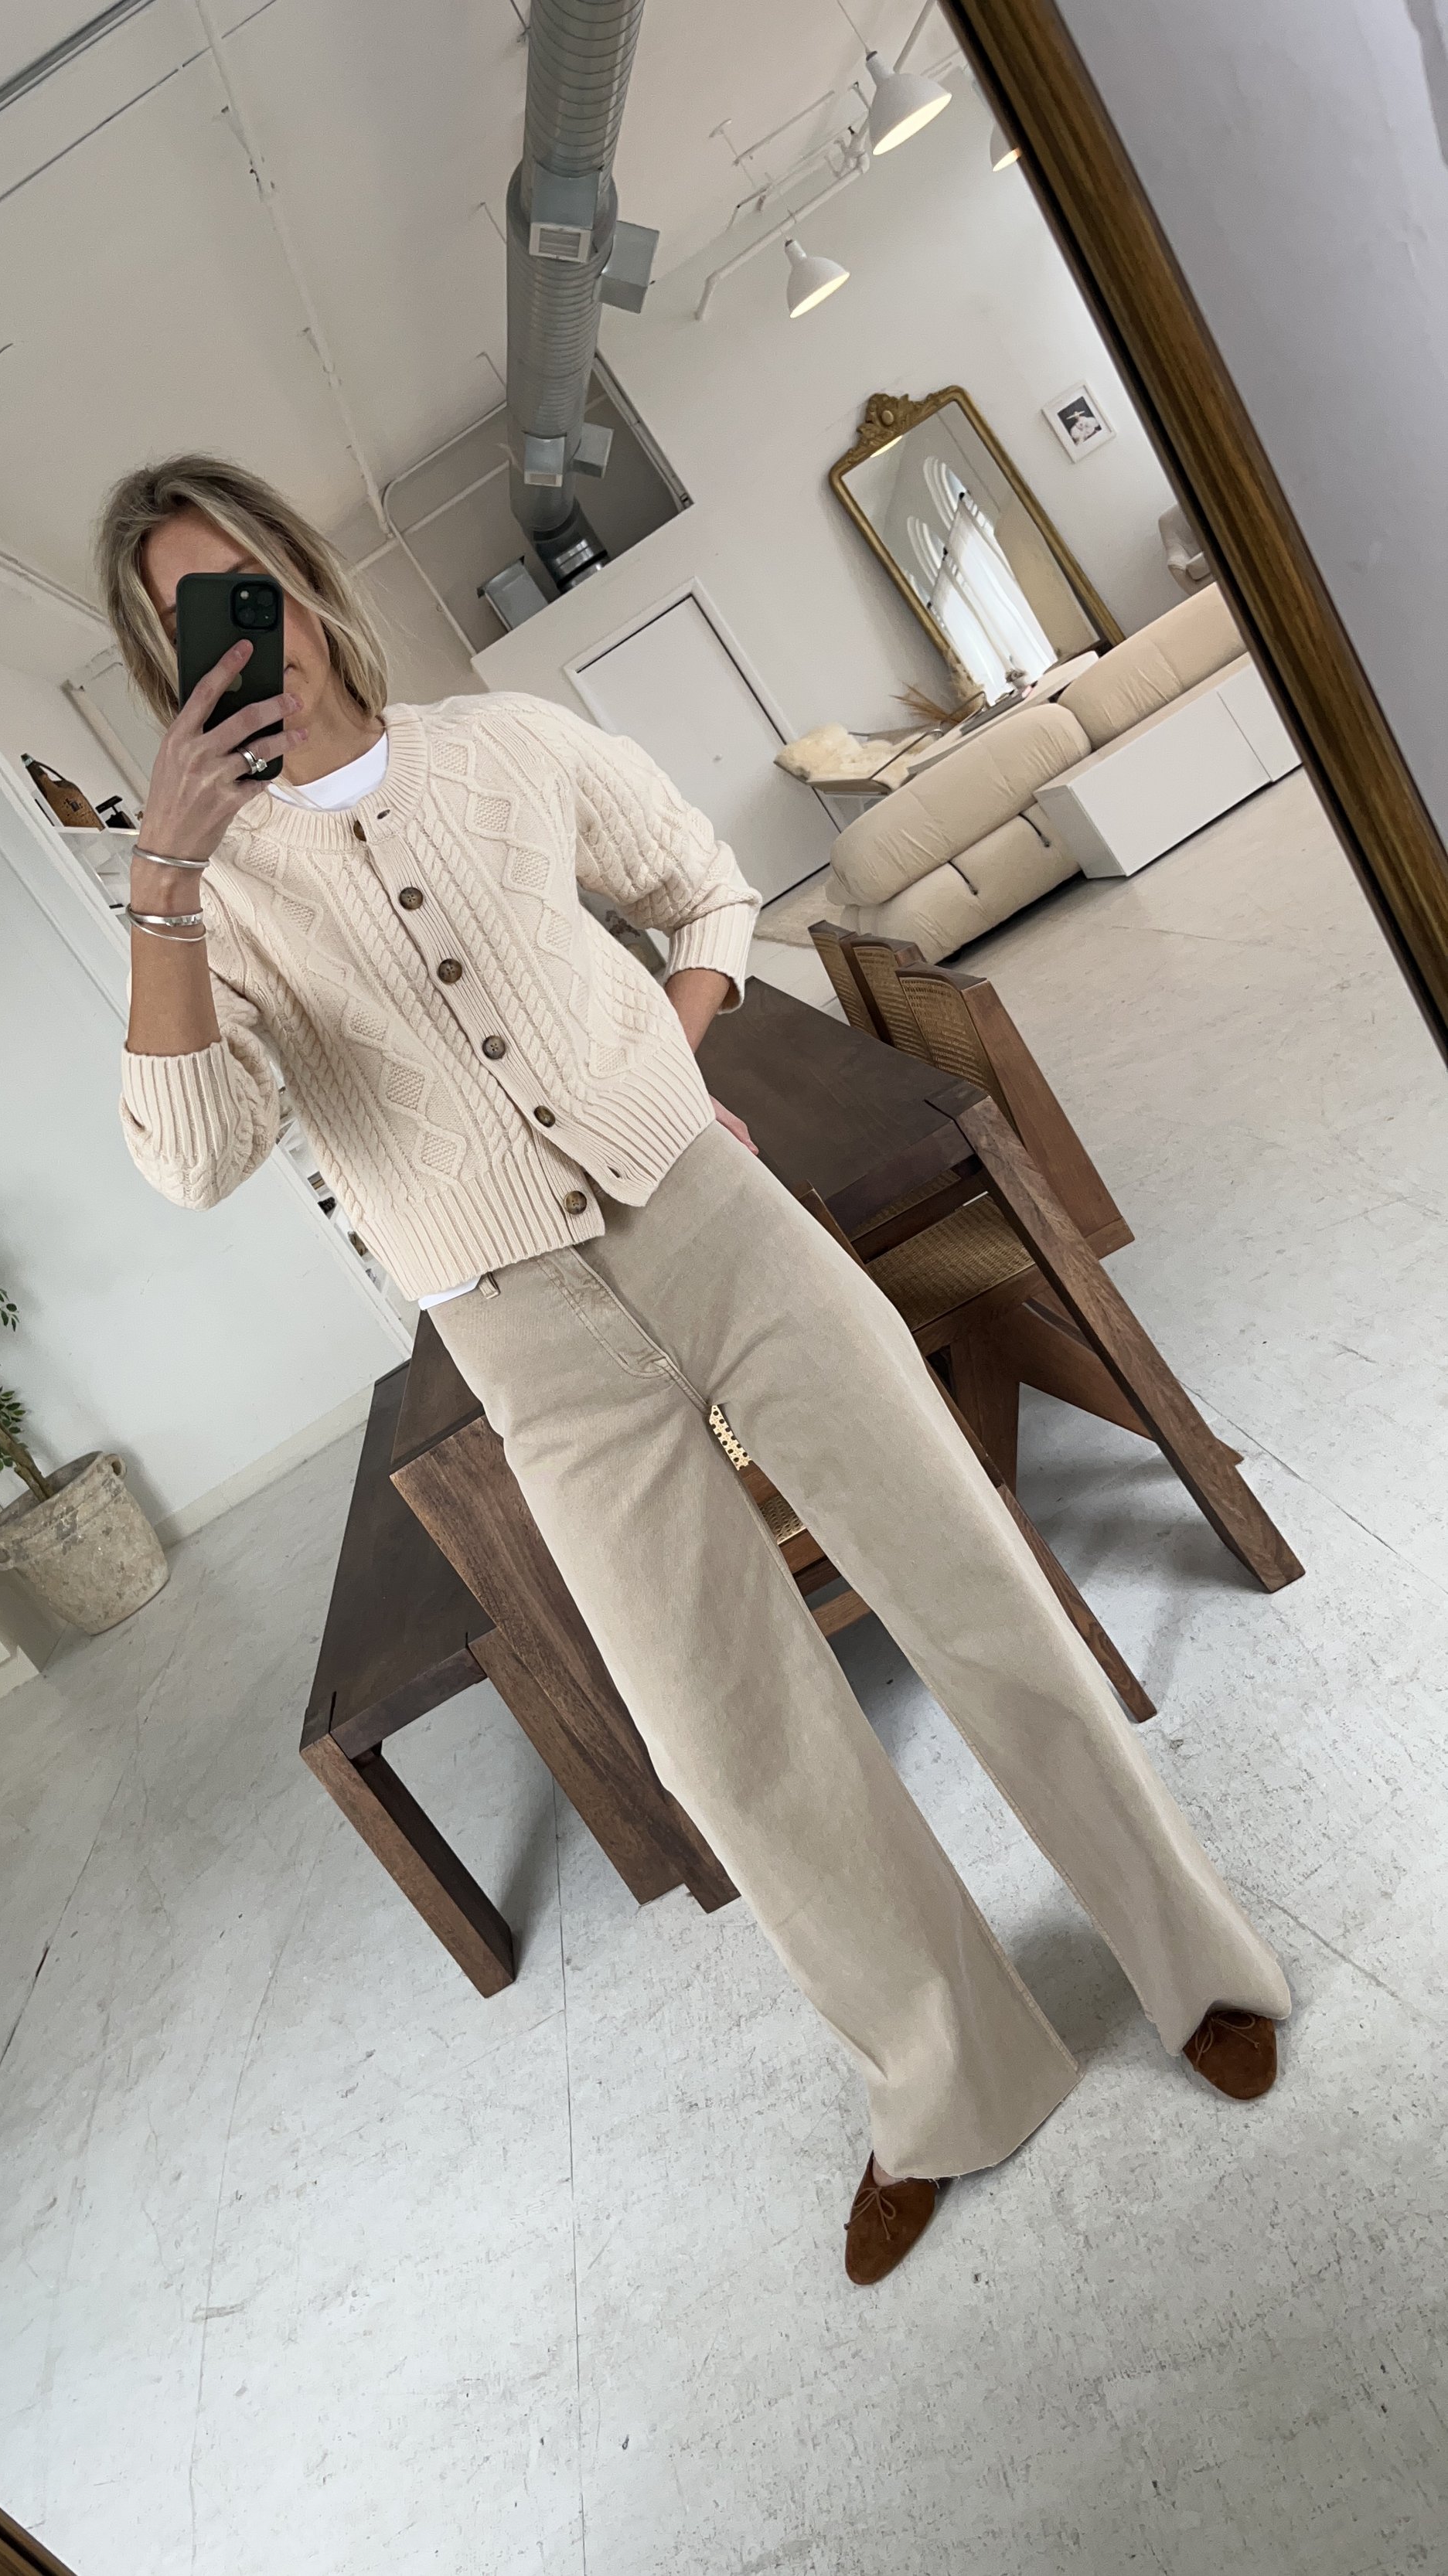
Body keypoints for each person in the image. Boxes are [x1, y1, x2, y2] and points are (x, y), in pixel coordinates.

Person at [98, 453, 1290, 2286]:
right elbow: (189, 1155)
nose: (234, 628)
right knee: (722, 1727)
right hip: (521, 1331)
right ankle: (946, 2076)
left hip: (712, 1221)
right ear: (162, 652)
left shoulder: (500, 746)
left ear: (302, 575)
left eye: (241, 575)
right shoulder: (216, 892)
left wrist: (676, 1032)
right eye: (190, 612)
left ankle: (1192, 1955)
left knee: (971, 1586)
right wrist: (162, 873)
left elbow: (704, 883)